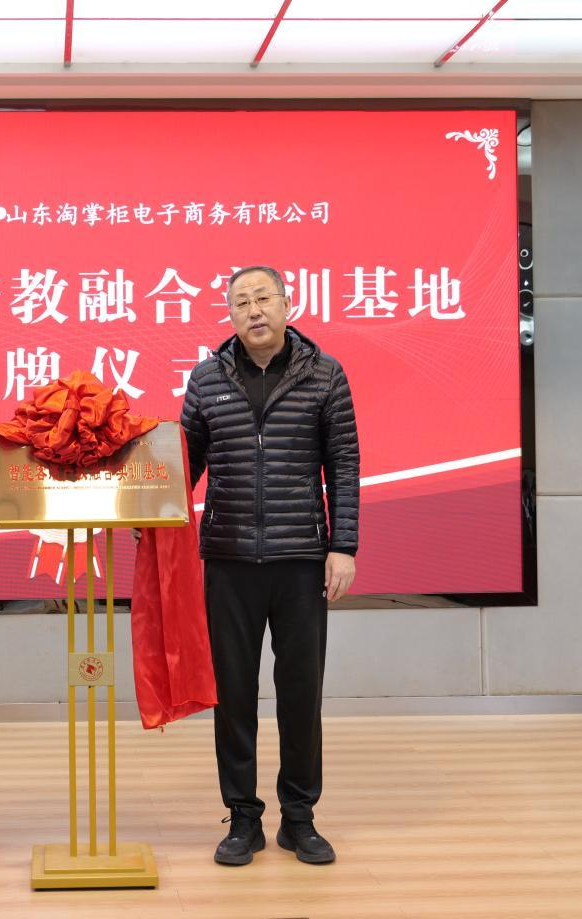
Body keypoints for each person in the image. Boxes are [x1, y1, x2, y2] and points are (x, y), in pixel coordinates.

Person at [180, 265, 360, 867]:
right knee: (233, 695)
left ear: (287, 305)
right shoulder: (206, 379)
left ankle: (299, 818)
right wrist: (145, 513)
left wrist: (343, 545)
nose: (253, 310)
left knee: (300, 693)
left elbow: (344, 464)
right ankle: (242, 818)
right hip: (228, 559)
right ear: (230, 315)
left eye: (263, 298)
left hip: (301, 559)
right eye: (241, 302)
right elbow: (182, 465)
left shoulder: (325, 374)